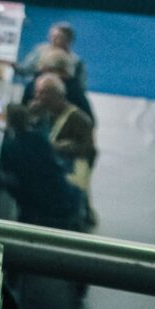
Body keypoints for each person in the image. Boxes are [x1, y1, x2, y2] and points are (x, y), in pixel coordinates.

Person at [0, 103, 86, 228]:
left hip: (39, 204)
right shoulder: (40, 138)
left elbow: (6, 172)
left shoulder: (9, 148)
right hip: (63, 195)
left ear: (8, 122)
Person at [30, 72, 97, 219]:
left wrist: (60, 147)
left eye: (42, 93)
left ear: (57, 95)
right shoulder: (40, 112)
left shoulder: (79, 120)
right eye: (37, 92)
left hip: (66, 169)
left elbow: (88, 150)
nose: (37, 97)